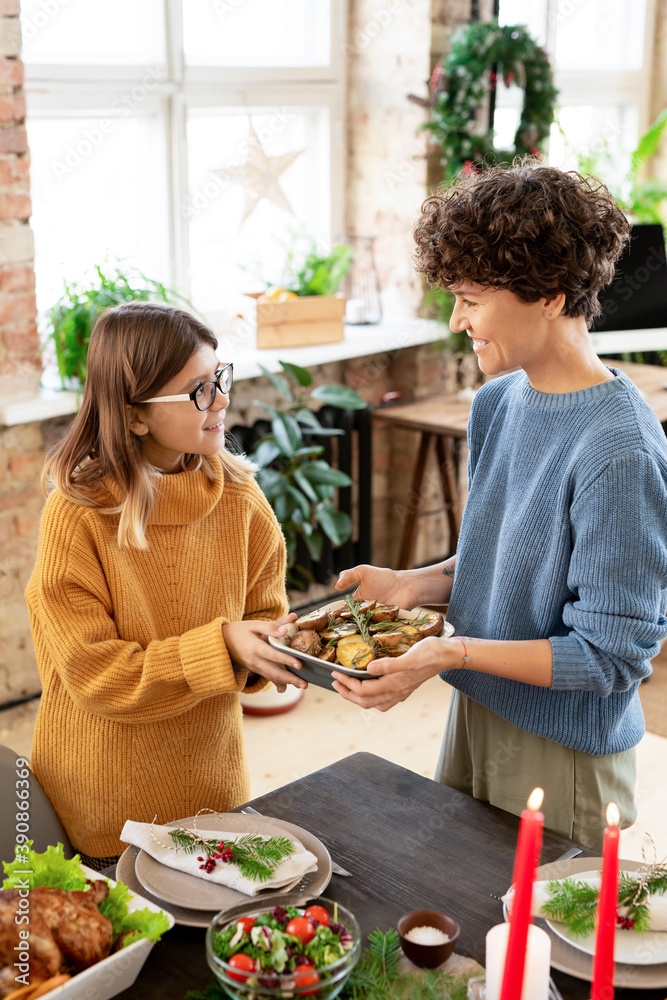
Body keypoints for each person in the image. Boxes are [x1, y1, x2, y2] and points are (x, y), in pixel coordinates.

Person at [332, 160, 667, 851]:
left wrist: (445, 652)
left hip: (566, 751)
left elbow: (609, 656)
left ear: (546, 292)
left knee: (541, 951)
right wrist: (412, 586)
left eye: (470, 298)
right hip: (477, 711)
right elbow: (509, 555)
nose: (457, 320)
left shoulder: (618, 450)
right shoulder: (496, 401)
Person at [26, 302, 306, 869]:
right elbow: (98, 676)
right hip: (108, 817)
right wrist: (223, 644)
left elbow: (264, 619)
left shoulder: (240, 499)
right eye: (199, 390)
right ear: (135, 416)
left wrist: (275, 652)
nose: (222, 400)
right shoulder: (77, 516)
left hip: (214, 799)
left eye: (219, 378)